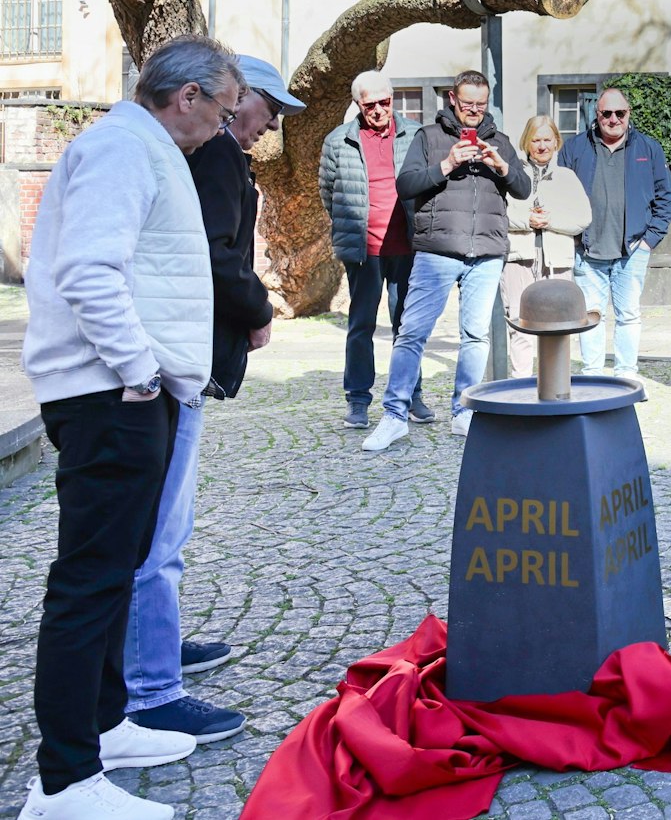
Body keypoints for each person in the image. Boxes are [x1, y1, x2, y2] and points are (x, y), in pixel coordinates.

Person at [19, 35, 243, 820]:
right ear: (187, 96)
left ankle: (107, 724)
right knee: (89, 581)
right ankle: (64, 780)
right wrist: (141, 372)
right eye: (222, 110)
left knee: (114, 573)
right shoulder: (122, 147)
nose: (223, 126)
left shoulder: (141, 146)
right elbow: (89, 270)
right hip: (110, 395)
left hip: (123, 391)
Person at [116, 55, 297, 756]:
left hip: (170, 360)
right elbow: (212, 257)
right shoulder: (214, 154)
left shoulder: (204, 153)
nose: (267, 126)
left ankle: (154, 647)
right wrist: (258, 307)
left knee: (162, 530)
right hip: (167, 363)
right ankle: (150, 686)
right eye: (262, 111)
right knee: (160, 533)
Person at [363, 70, 532, 451]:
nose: (474, 110)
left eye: (481, 104)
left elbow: (523, 188)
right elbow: (405, 185)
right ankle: (394, 415)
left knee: (475, 336)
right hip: (437, 249)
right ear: (452, 99)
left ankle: (464, 411)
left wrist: (502, 166)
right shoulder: (428, 137)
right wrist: (447, 164)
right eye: (467, 103)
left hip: (486, 252)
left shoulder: (500, 141)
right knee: (412, 333)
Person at [320, 70, 434, 429]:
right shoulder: (338, 141)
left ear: (393, 99)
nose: (379, 110)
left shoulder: (416, 134)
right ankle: (357, 400)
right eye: (370, 105)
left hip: (407, 246)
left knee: (407, 325)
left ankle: (411, 395)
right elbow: (329, 192)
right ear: (358, 104)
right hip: (364, 250)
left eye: (384, 102)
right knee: (361, 325)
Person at [562, 87, 671, 383]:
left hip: (632, 250)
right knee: (591, 315)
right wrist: (573, 237)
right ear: (596, 114)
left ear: (629, 114)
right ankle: (593, 375)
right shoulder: (575, 148)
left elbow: (666, 196)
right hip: (588, 249)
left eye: (619, 113)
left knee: (629, 315)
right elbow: (559, 193)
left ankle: (626, 373)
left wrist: (650, 240)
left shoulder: (648, 148)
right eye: (607, 113)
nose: (613, 119)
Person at [503, 115, 590, 377]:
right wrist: (527, 220)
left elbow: (583, 217)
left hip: (557, 260)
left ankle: (555, 381)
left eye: (547, 140)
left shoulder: (567, 177)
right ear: (526, 143)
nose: (541, 146)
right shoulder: (513, 175)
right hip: (519, 258)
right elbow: (499, 214)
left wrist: (550, 221)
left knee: (558, 323)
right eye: (535, 140)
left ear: (556, 142)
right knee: (520, 321)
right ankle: (521, 382)